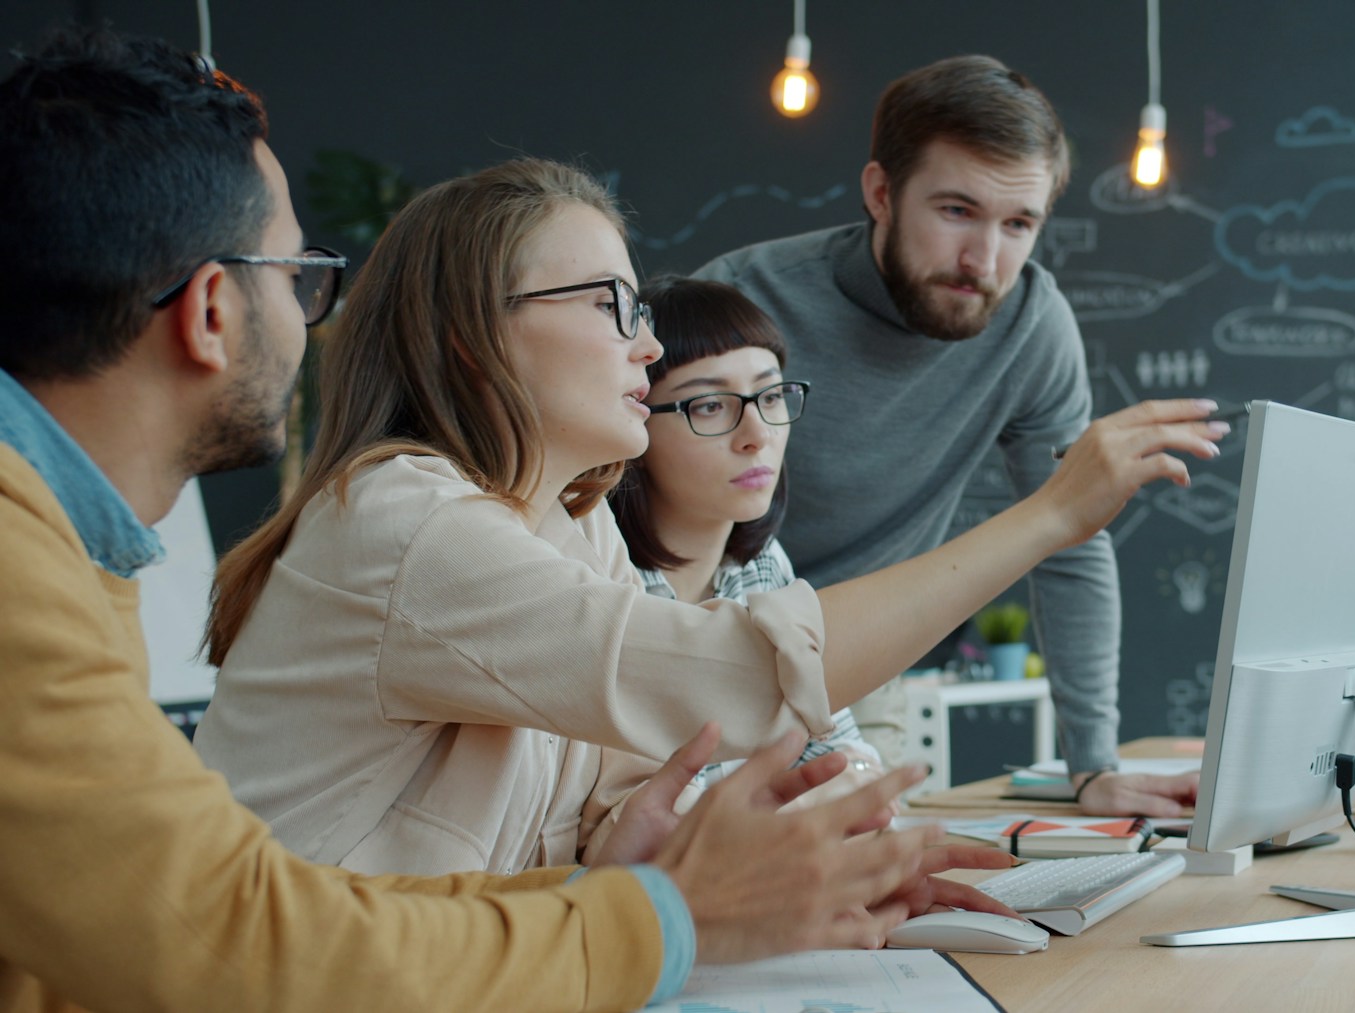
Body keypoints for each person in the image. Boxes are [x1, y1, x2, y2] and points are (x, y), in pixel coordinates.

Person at [0, 28, 954, 1013]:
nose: (308, 314)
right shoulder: (394, 514)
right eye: (293, 276)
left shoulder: (66, 544)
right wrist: (664, 915)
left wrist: (611, 879)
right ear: (210, 311)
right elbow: (225, 942)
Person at [193, 152, 1216, 880]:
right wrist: (1048, 514)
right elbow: (731, 674)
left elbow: (566, 826)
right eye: (608, 305)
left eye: (639, 309)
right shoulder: (408, 515)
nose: (646, 347)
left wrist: (638, 848)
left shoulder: (576, 522)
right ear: (475, 340)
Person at [695, 55, 1231, 816]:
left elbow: (1073, 539)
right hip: (700, 665)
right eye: (956, 212)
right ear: (881, 193)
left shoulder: (1031, 328)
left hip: (857, 680)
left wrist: (1095, 767)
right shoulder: (742, 304)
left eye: (1019, 224)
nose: (985, 260)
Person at [611, 276, 883, 817]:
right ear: (635, 422)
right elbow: (655, 815)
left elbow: (847, 757)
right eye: (710, 405)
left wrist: (837, 788)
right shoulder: (602, 577)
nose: (757, 433)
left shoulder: (757, 564)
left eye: (771, 394)